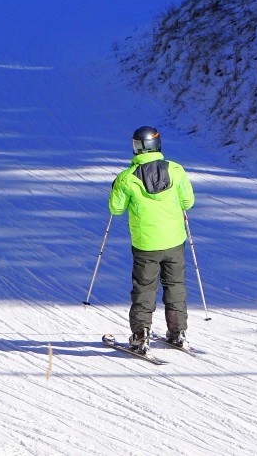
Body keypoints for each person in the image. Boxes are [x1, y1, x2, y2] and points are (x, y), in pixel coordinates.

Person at [109, 125, 195, 354]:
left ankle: (140, 334)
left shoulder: (127, 178)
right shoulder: (176, 170)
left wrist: (115, 189)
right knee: (175, 285)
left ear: (137, 147)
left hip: (146, 243)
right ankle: (177, 332)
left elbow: (116, 209)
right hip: (174, 240)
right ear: (157, 144)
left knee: (145, 288)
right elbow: (188, 202)